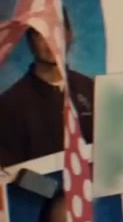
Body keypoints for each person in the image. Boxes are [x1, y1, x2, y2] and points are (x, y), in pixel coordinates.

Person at [0, 20, 96, 168]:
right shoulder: (9, 105)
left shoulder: (91, 90)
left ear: (69, 36)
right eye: (41, 34)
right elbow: (10, 172)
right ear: (30, 40)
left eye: (57, 30)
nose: (51, 40)